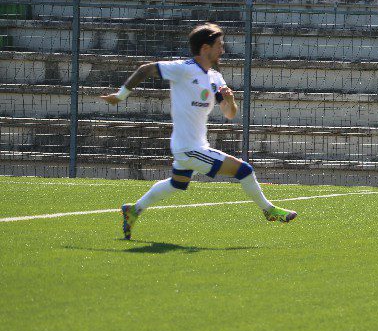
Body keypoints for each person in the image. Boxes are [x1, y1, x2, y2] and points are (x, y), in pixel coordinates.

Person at [100, 23, 297, 239]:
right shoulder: (184, 69)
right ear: (205, 49)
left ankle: (134, 209)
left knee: (177, 184)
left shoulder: (215, 77)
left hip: (193, 146)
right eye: (219, 45)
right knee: (244, 170)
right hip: (189, 148)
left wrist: (230, 101)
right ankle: (269, 211)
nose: (222, 50)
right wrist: (120, 96)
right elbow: (145, 69)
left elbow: (229, 114)